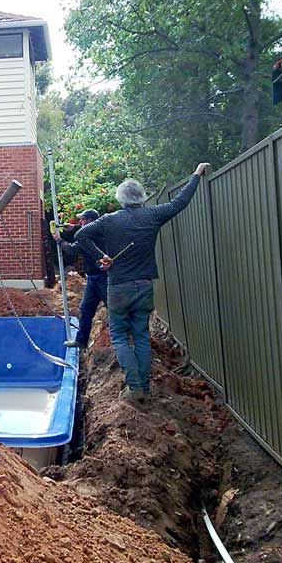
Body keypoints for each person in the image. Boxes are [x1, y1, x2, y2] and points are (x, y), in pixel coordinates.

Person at [74, 162, 210, 402]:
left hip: (117, 287)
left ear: (121, 199)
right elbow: (180, 203)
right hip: (144, 286)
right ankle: (144, 388)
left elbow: (81, 235)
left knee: (118, 336)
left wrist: (100, 256)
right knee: (140, 336)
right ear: (142, 197)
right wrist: (196, 175)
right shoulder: (153, 215)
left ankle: (134, 387)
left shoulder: (109, 220)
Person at [53, 209, 107, 349]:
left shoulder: (86, 238)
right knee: (85, 309)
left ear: (89, 221)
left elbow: (72, 249)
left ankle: (115, 340)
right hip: (94, 278)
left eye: (82, 220)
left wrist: (59, 241)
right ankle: (81, 341)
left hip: (101, 278)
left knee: (111, 309)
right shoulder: (101, 231)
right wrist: (73, 228)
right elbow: (86, 229)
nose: (80, 222)